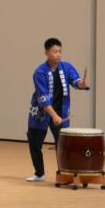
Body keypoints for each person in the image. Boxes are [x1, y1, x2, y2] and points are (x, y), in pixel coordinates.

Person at [26, 38, 90, 182]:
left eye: (60, 51)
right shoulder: (39, 72)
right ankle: (39, 173)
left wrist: (82, 84)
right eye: (55, 51)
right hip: (41, 113)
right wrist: (54, 116)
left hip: (61, 111)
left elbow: (76, 81)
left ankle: (64, 173)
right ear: (46, 52)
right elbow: (43, 99)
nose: (58, 54)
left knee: (62, 145)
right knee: (35, 143)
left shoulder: (66, 67)